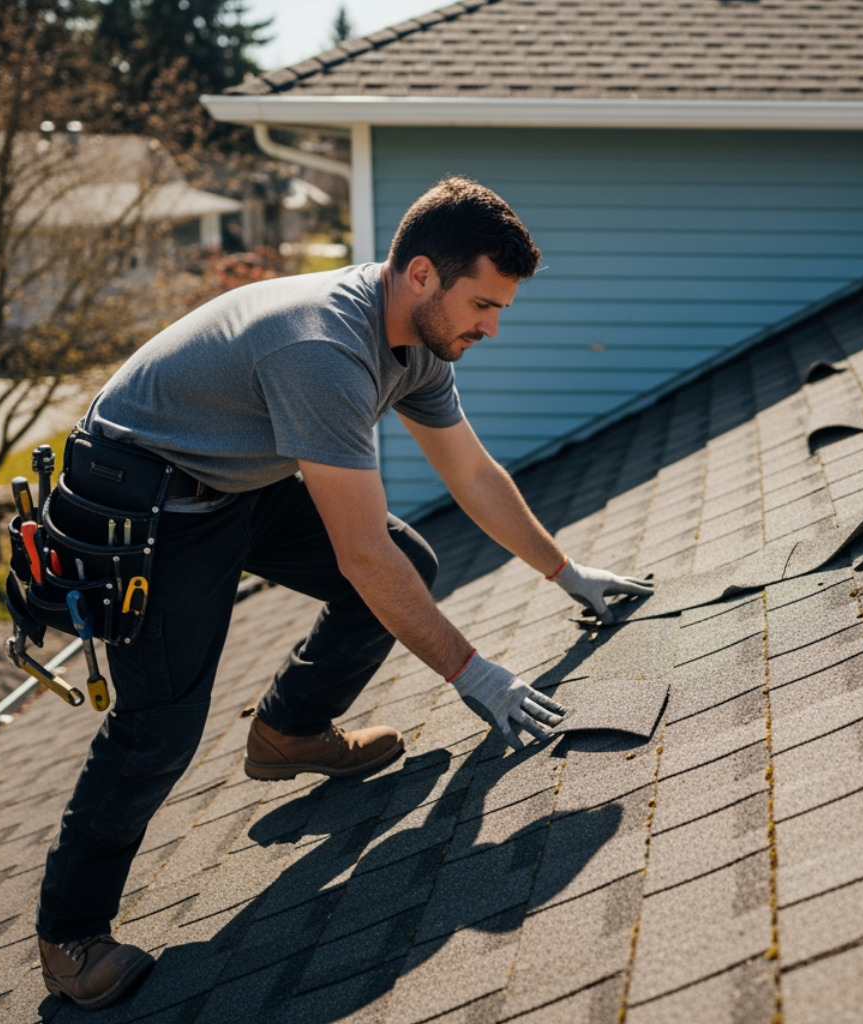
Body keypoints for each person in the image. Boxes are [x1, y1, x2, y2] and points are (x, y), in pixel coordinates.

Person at [32, 177, 652, 1009]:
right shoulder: (324, 348)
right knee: (160, 728)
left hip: (236, 472)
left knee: (411, 560)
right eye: (483, 303)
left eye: (501, 308)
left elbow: (468, 472)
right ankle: (68, 937)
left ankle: (288, 733)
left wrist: (564, 571)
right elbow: (360, 555)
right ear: (423, 275)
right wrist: (475, 672)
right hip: (150, 498)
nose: (492, 327)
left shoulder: (425, 341)